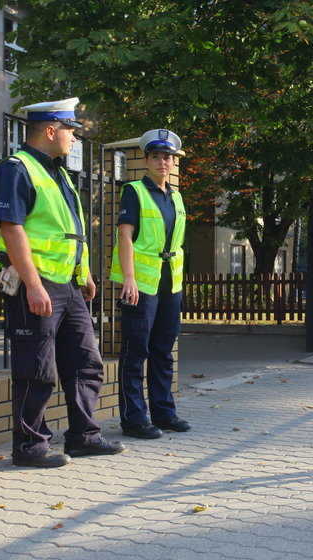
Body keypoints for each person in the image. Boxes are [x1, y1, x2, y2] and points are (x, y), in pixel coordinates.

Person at [0, 97, 125, 468]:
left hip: (68, 285)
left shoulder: (60, 173)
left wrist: (83, 273)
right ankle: (30, 447)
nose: (74, 138)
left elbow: (69, 233)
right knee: (36, 369)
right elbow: (11, 228)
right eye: (70, 130)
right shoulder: (16, 170)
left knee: (86, 362)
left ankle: (83, 437)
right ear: (50, 130)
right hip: (36, 284)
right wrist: (33, 285)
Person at [109, 129, 191, 439]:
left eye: (167, 157)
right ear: (146, 160)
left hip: (170, 285)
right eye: (156, 156)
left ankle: (164, 413)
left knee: (163, 350)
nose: (162, 161)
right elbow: (125, 236)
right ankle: (133, 419)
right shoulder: (134, 191)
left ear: (173, 162)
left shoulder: (177, 196)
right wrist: (128, 278)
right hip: (141, 284)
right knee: (136, 351)